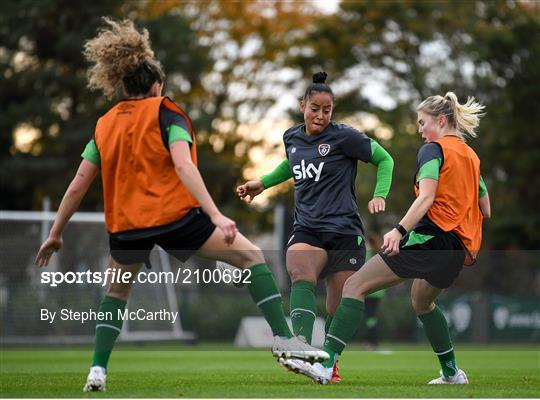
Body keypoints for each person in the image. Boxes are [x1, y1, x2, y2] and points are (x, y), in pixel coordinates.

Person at [34, 18, 326, 393]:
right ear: (157, 85)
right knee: (252, 256)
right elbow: (184, 165)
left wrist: (56, 232)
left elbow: (77, 184)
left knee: (116, 294)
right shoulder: (168, 113)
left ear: (123, 83)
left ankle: (97, 371)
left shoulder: (104, 124)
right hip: (175, 219)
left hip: (126, 227)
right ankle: (285, 340)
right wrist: (217, 215)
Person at [283, 91, 491, 384]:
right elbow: (486, 208)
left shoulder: (433, 149)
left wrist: (400, 229)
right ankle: (451, 372)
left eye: (422, 123)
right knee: (422, 303)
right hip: (457, 249)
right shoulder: (471, 156)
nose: (419, 129)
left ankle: (326, 365)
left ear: (441, 121)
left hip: (429, 239)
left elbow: (427, 197)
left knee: (354, 286)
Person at [237, 72, 394, 382]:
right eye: (315, 108)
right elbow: (292, 165)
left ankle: (330, 360)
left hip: (345, 231)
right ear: (302, 106)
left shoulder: (346, 137)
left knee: (338, 303)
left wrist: (379, 195)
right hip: (308, 226)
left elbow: (385, 159)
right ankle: (302, 348)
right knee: (299, 270)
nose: (321, 115)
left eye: (327, 109)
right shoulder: (291, 138)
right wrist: (262, 182)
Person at [363, 232, 386, 351]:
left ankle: (372, 342)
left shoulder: (367, 254)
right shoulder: (379, 254)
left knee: (370, 318)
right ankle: (372, 341)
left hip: (369, 292)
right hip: (378, 292)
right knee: (372, 317)